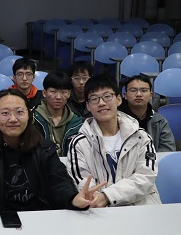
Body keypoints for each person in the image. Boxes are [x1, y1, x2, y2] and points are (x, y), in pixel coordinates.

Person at [0, 89, 103, 213]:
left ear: (29, 114)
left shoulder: (44, 148)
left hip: (41, 216)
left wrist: (73, 199)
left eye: (19, 112)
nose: (13, 119)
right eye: (5, 113)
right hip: (0, 218)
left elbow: (59, 182)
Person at [68, 74, 162, 206]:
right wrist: (97, 199)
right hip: (98, 210)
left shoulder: (141, 137)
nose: (101, 103)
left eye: (107, 96)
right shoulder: (79, 143)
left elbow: (146, 177)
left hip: (141, 208)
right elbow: (83, 184)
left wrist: (107, 196)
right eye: (94, 99)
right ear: (88, 106)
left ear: (118, 99)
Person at [118, 75, 175, 152]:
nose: (138, 94)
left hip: (153, 159)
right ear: (125, 95)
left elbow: (168, 150)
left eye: (144, 90)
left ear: (151, 95)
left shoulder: (159, 121)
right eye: (133, 90)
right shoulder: (115, 120)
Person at [33, 70, 83, 156]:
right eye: (53, 91)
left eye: (63, 92)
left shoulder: (77, 122)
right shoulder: (33, 119)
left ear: (69, 94)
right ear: (44, 93)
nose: (58, 97)